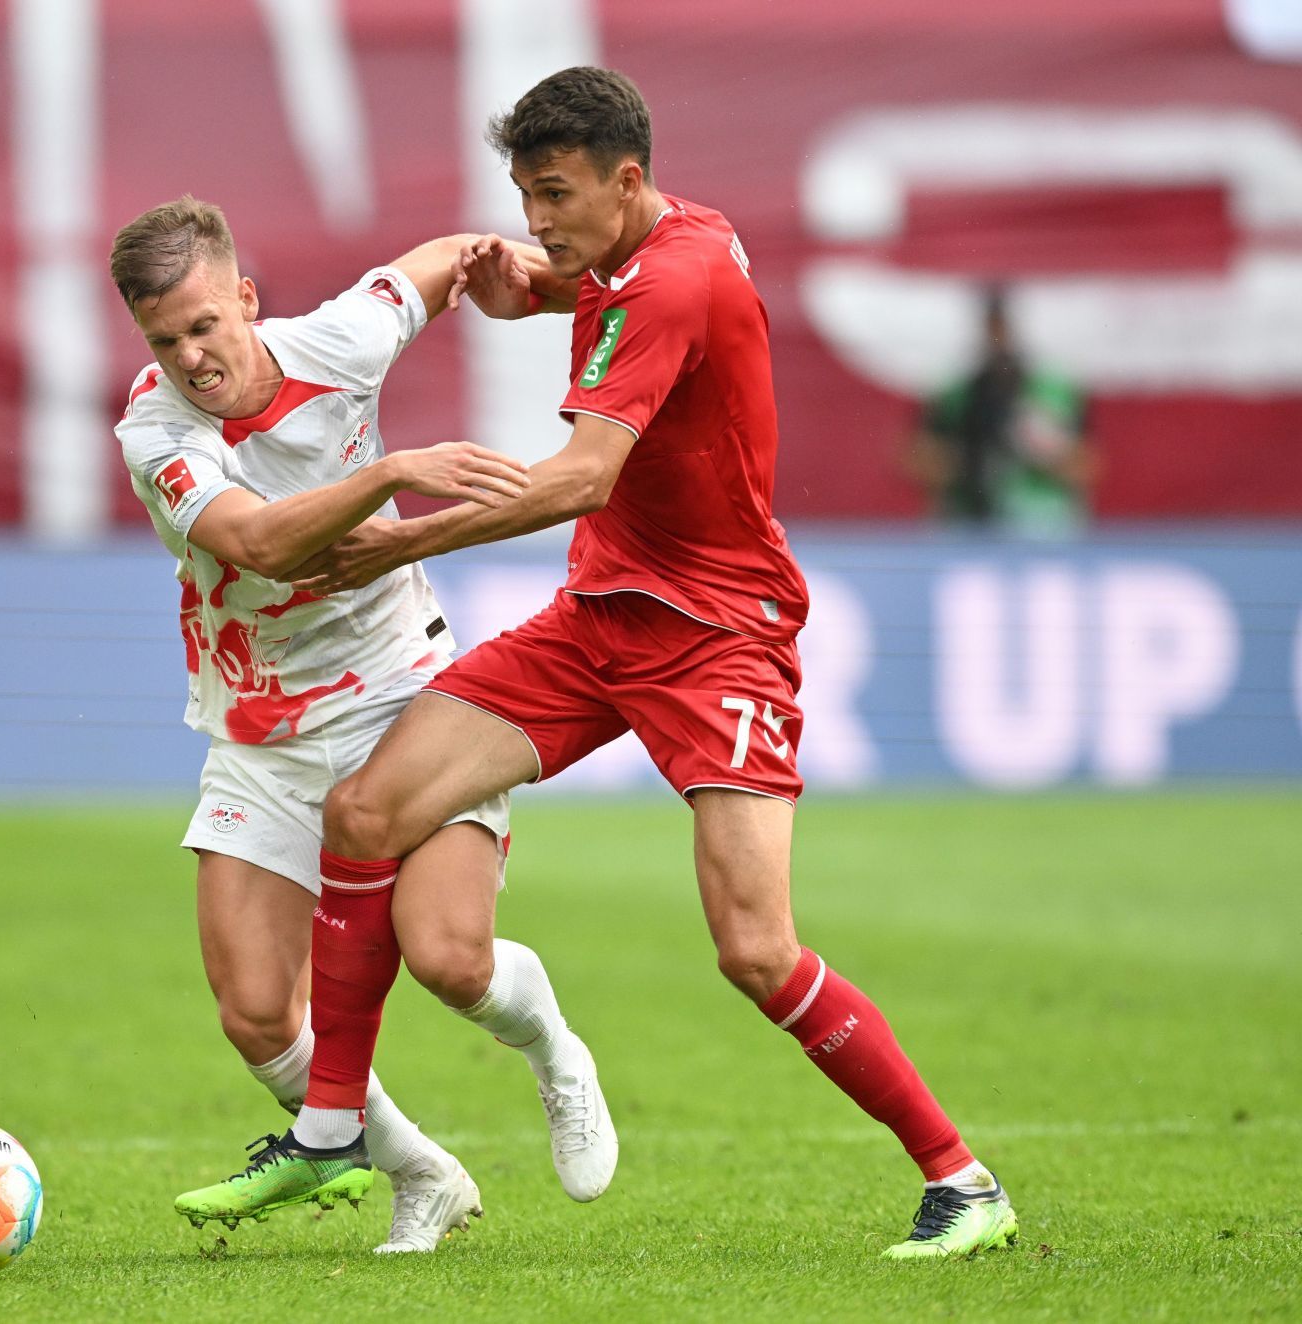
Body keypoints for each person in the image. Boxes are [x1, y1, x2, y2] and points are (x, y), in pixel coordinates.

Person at [189, 66, 1018, 1261]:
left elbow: (581, 478)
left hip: (717, 635)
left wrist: (395, 547)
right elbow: (583, 285)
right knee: (365, 812)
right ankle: (329, 1128)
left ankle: (962, 1177)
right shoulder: (654, 242)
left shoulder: (672, 280)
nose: (538, 219)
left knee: (755, 947)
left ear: (627, 180)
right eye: (526, 193)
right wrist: (528, 292)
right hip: (597, 621)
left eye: (557, 195)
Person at [110, 196, 616, 1252]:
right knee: (255, 1012)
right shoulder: (155, 432)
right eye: (166, 339)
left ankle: (559, 1050)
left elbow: (435, 265)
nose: (193, 355)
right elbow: (256, 545)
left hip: (403, 698)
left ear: (245, 298)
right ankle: (421, 1172)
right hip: (263, 735)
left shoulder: (336, 341)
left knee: (448, 959)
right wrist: (389, 472)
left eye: (207, 324)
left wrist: (508, 265)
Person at [906, 287, 1094, 537]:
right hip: (972, 523)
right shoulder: (958, 392)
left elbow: (1089, 466)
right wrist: (967, 459)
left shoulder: (1054, 390)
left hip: (1042, 526)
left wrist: (1041, 446)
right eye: (991, 326)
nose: (998, 336)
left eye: (1003, 326)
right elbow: (918, 458)